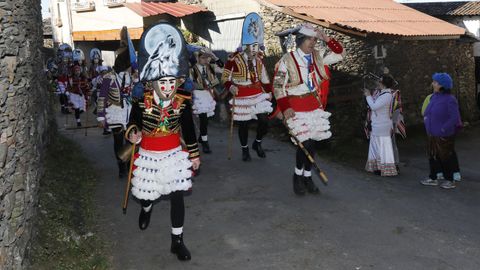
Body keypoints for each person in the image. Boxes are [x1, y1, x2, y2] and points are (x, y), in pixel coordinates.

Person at [126, 22, 200, 261]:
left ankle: (177, 241)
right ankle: (146, 208)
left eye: (171, 82)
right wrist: (133, 133)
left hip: (173, 154)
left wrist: (194, 154)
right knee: (149, 194)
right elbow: (132, 124)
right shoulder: (141, 100)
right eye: (163, 83)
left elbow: (188, 129)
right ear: (153, 82)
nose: (168, 87)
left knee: (177, 195)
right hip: (148, 152)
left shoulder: (182, 101)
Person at [273, 24, 343, 195]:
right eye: (309, 39)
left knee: (312, 145)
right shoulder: (287, 60)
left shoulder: (318, 57)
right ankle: (298, 177)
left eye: (314, 39)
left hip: (313, 106)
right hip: (295, 106)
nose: (312, 42)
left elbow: (340, 54)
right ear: (300, 40)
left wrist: (326, 39)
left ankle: (307, 176)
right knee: (305, 144)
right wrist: (285, 107)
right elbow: (277, 86)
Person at [222, 13, 273, 161]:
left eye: (257, 46)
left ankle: (257, 143)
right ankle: (245, 149)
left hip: (257, 93)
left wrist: (269, 92)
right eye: (253, 46)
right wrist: (230, 86)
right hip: (242, 94)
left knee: (264, 121)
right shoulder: (233, 59)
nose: (255, 49)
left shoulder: (259, 60)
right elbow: (225, 77)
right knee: (243, 125)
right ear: (245, 46)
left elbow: (264, 78)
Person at [420, 73, 461, 189]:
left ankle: (450, 180)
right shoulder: (434, 97)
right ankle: (433, 178)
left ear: (442, 85)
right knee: (432, 156)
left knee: (445, 158)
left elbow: (455, 117)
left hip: (444, 135)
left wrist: (443, 128)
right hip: (432, 133)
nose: (433, 83)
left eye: (435, 82)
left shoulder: (450, 99)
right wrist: (427, 120)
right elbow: (427, 111)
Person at [364, 75, 398, 177]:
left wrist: (368, 96)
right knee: (377, 147)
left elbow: (374, 106)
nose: (378, 82)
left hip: (382, 125)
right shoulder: (383, 93)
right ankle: (378, 167)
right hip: (378, 124)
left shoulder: (387, 95)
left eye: (379, 81)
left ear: (383, 83)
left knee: (382, 147)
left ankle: (382, 169)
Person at [190, 48, 222, 153]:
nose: (205, 60)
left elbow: (223, 67)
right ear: (197, 58)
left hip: (208, 94)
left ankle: (201, 137)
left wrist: (214, 57)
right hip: (197, 95)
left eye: (207, 58)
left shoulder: (211, 67)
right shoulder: (192, 69)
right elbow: (188, 83)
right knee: (203, 117)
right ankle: (205, 142)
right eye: (203, 57)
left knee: (206, 119)